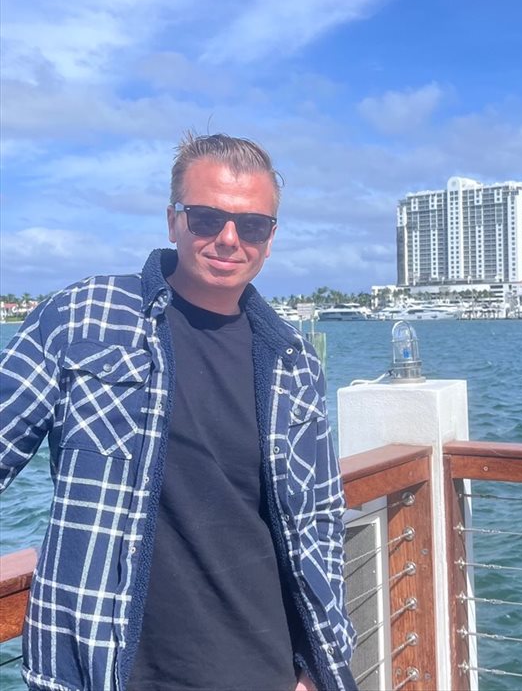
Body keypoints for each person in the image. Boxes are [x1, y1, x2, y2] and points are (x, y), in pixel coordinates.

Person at [0, 133, 357, 691]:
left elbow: (320, 518)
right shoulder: (83, 317)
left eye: (252, 226)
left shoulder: (294, 359)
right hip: (105, 667)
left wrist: (314, 665)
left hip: (264, 667)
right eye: (206, 219)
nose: (229, 239)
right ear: (173, 221)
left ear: (270, 240)